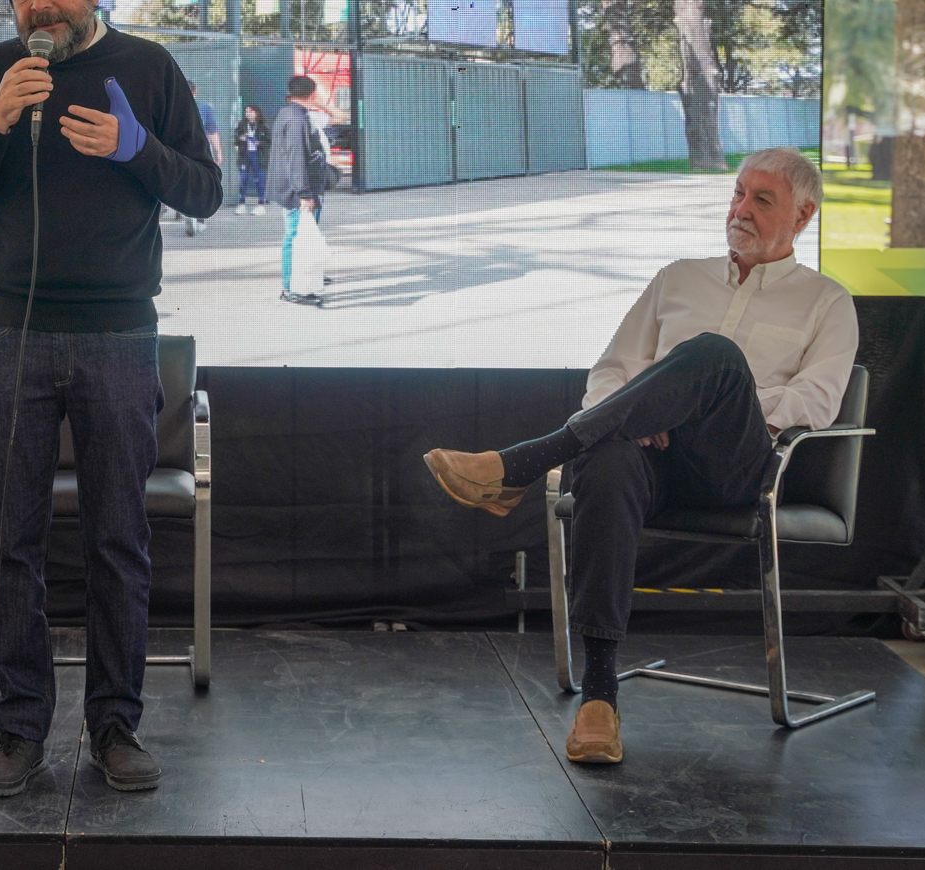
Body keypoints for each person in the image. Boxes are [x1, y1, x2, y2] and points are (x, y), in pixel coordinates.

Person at [421, 147, 856, 766]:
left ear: (803, 215)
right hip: (656, 465)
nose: (741, 209)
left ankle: (523, 464)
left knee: (714, 355)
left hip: (737, 468)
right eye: (737, 193)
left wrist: (688, 404)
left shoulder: (826, 301)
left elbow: (816, 400)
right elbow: (612, 371)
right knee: (608, 459)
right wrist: (639, 410)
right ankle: (599, 696)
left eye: (762, 200)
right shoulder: (679, 278)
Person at [0, 0, 221, 799]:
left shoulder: (150, 69)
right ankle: (19, 728)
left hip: (120, 335)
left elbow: (206, 191)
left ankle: (115, 725)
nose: (40, 4)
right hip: (9, 336)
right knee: (8, 540)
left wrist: (137, 149)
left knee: (117, 538)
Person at [266, 75, 331, 305]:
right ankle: (291, 288)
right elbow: (296, 157)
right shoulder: (297, 119)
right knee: (295, 237)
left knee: (300, 235)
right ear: (312, 94)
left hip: (292, 186)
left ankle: (303, 280)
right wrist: (304, 193)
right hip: (295, 190)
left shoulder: (288, 113)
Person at [232, 104, 269, 215]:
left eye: (251, 111)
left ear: (256, 113)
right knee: (243, 179)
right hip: (245, 155)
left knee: (259, 179)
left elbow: (268, 141)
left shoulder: (263, 126)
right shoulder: (242, 124)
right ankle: (241, 204)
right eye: (247, 112)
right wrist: (241, 138)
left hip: (258, 155)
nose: (248, 114)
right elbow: (236, 138)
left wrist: (258, 142)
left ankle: (261, 204)